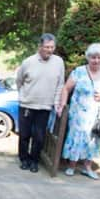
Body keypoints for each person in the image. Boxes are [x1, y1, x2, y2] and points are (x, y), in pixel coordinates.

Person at [58, 43, 100, 179]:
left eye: (99, 57)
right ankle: (71, 166)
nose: (96, 60)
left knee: (93, 139)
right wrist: (62, 104)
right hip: (78, 114)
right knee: (76, 137)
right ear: (88, 58)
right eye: (93, 57)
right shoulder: (79, 71)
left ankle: (87, 167)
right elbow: (66, 89)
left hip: (97, 114)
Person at [16, 33, 65, 173]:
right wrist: (23, 96)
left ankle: (34, 161)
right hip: (27, 104)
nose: (49, 50)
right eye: (46, 47)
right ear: (40, 46)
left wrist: (56, 103)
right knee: (25, 135)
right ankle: (24, 159)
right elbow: (19, 81)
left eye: (52, 47)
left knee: (39, 136)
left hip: (45, 106)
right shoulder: (28, 62)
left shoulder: (59, 62)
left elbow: (60, 84)